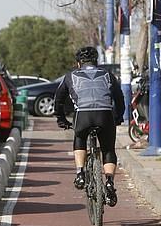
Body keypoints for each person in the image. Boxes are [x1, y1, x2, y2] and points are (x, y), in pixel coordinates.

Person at [54, 46, 125, 207]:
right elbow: (119, 98)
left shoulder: (70, 76)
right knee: (108, 149)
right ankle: (109, 182)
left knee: (79, 137)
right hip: (105, 116)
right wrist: (118, 117)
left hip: (83, 116)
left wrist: (61, 119)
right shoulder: (108, 75)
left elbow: (58, 100)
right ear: (96, 61)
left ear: (78, 63)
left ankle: (80, 173)